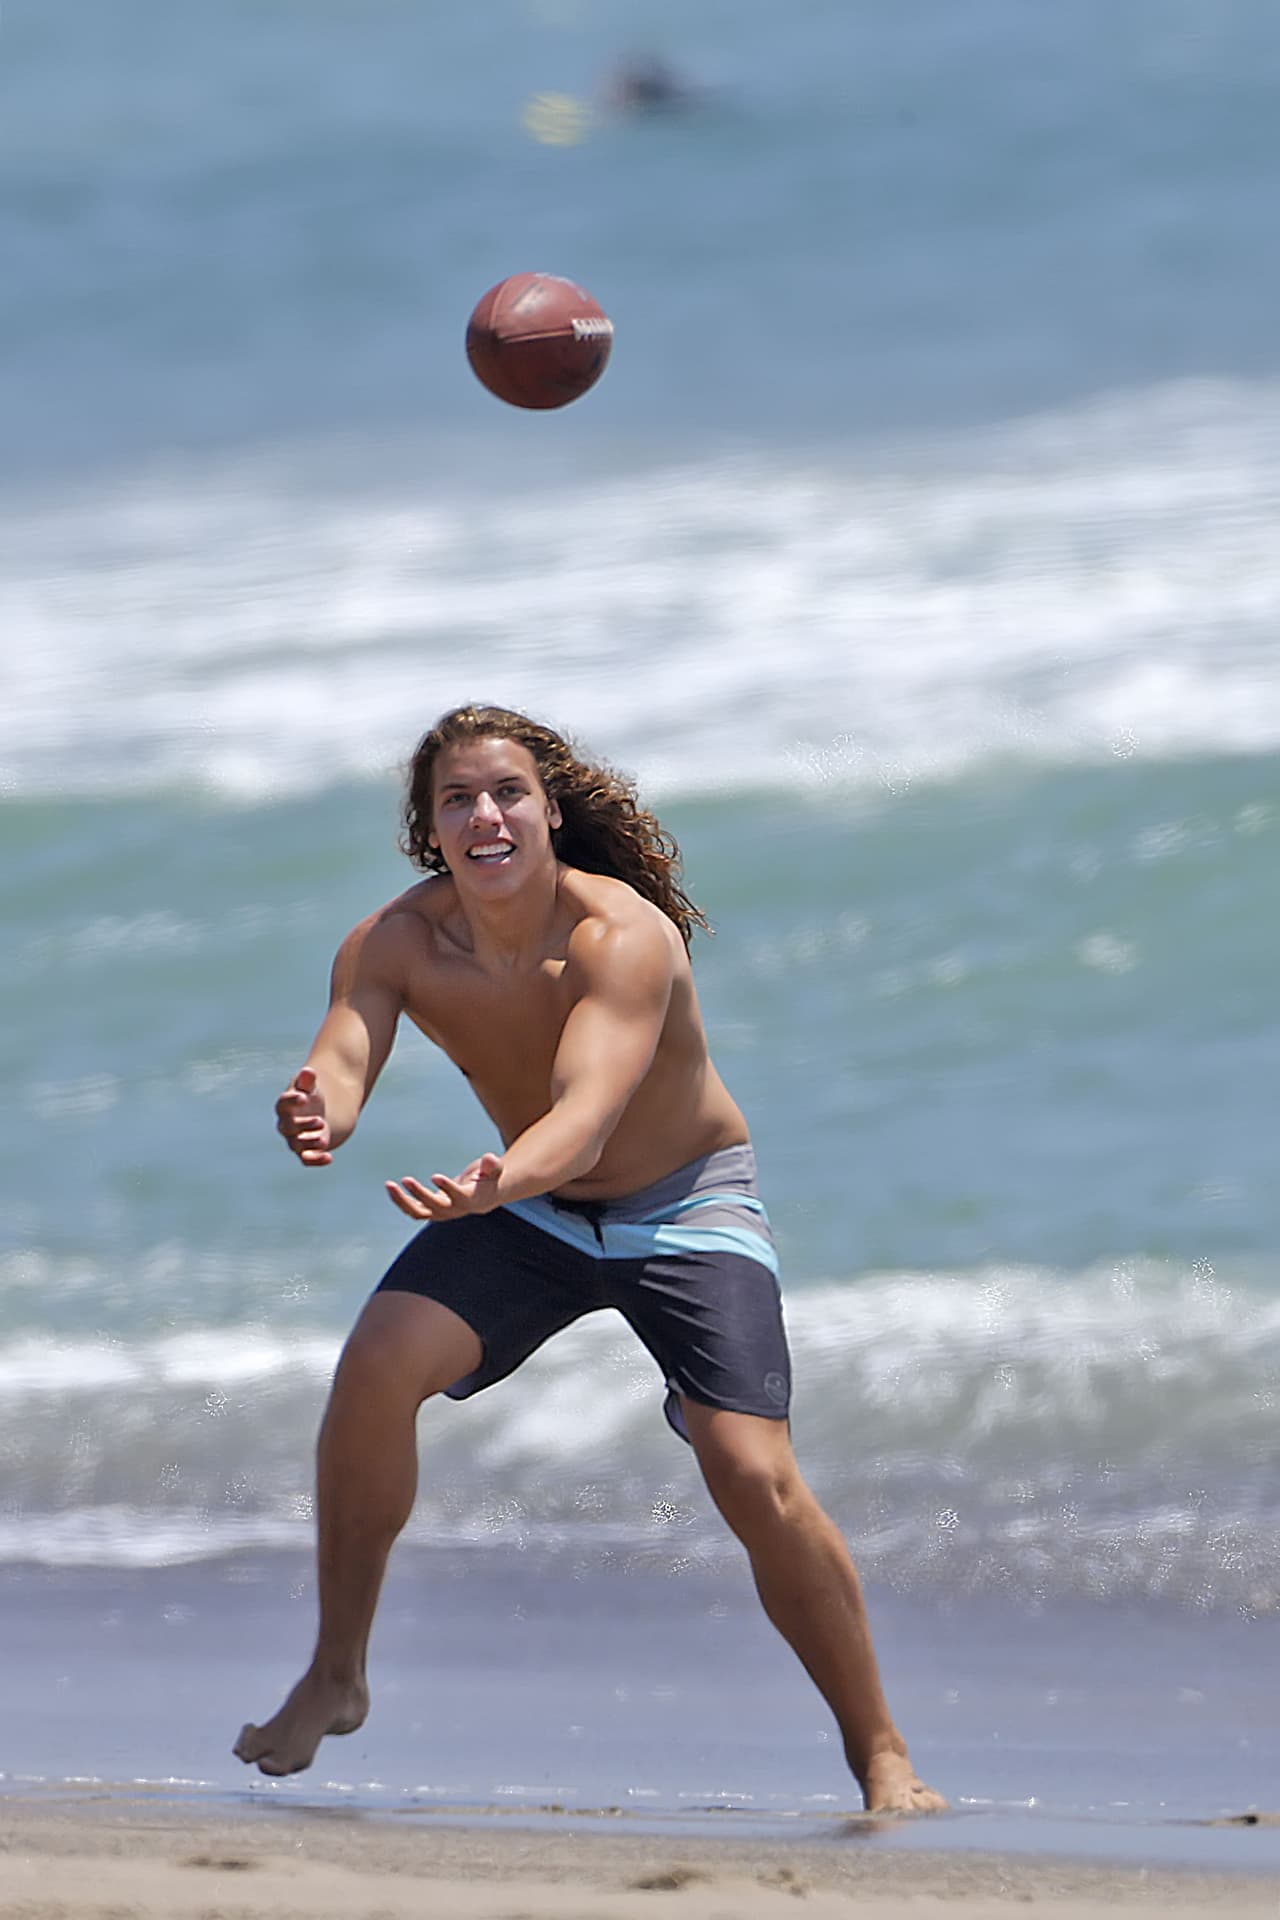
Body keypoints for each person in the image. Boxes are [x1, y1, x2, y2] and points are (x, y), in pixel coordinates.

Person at [234, 704, 945, 1815]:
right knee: (376, 1364)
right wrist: (316, 1109)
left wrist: (501, 1182)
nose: (485, 815)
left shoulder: (621, 936)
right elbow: (343, 1052)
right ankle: (336, 1674)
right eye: (456, 800)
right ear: (430, 832)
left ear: (548, 810)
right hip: (527, 1206)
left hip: (679, 1206)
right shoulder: (394, 944)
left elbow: (586, 1111)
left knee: (749, 1471)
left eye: (506, 792)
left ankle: (881, 1754)